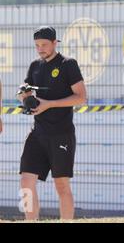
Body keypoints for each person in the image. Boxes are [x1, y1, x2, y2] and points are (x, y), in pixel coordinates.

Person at [18, 26, 86, 220]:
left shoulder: (68, 64)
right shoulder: (35, 66)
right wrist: (24, 96)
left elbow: (81, 97)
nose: (40, 49)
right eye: (37, 45)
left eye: (44, 45)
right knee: (25, 182)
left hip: (61, 133)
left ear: (55, 43)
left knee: (61, 185)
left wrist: (50, 104)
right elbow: (26, 92)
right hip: (37, 132)